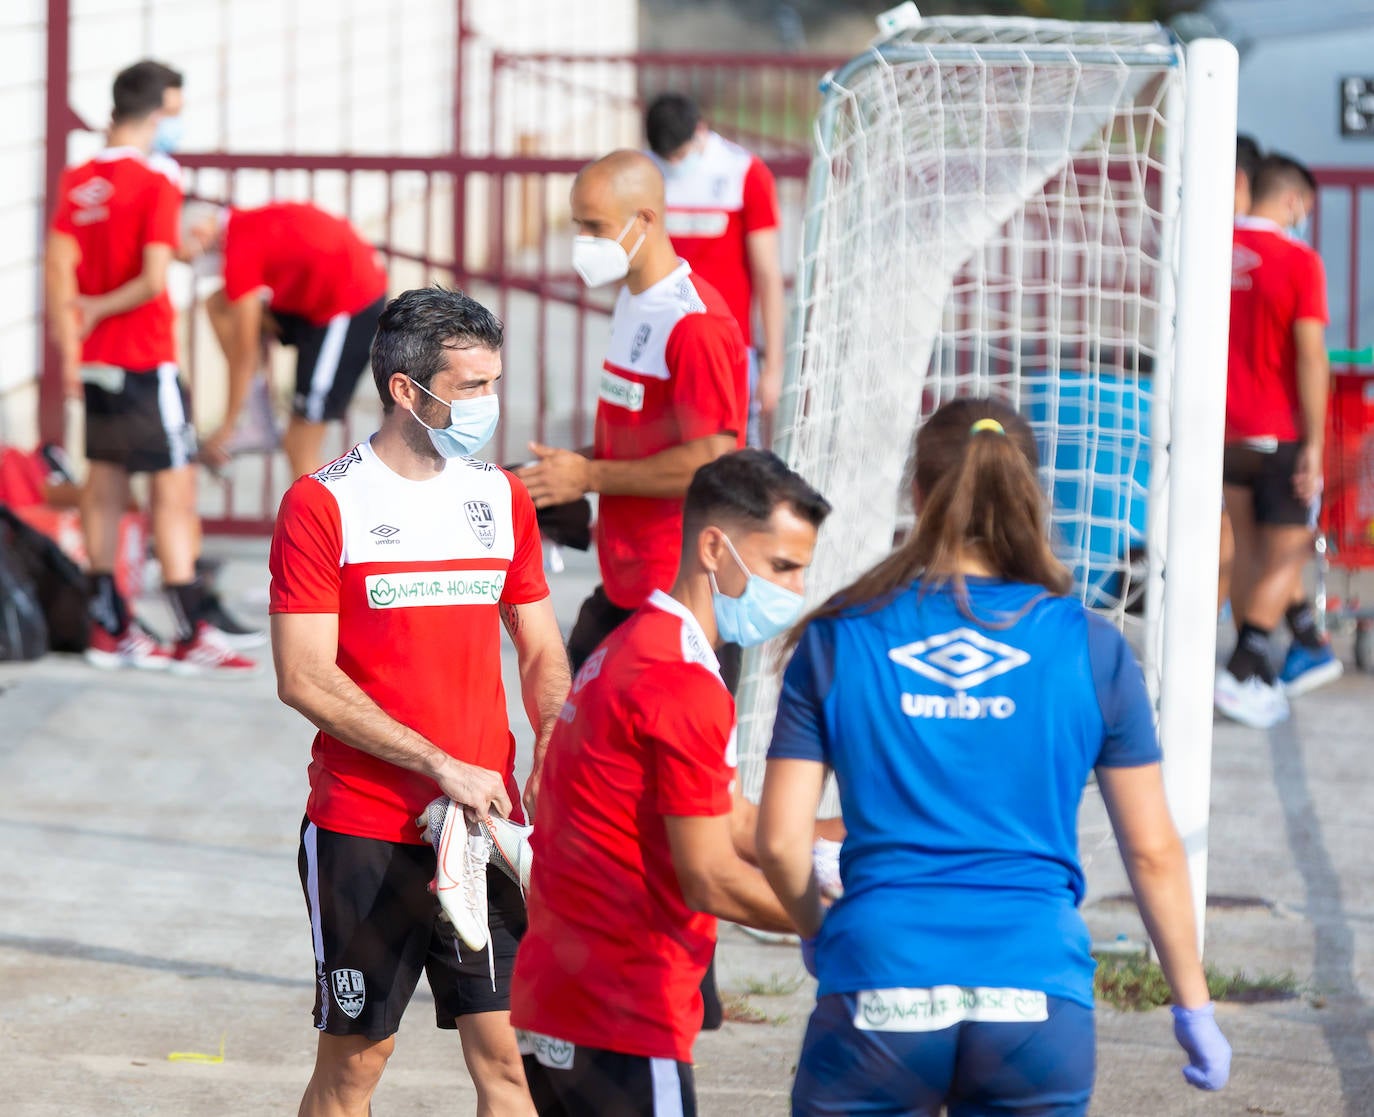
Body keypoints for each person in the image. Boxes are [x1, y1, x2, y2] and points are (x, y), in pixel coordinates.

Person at [755, 398, 1231, 1117]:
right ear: (1029, 493)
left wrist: (822, 932)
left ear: (917, 495)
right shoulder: (1092, 647)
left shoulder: (838, 637)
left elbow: (781, 840)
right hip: (1037, 994)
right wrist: (1194, 1008)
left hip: (883, 979)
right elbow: (1154, 852)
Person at [269, 286, 571, 1117]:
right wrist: (439, 762)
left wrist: (553, 737)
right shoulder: (323, 504)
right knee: (356, 1067)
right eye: (471, 386)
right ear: (407, 389)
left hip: (486, 830)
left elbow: (541, 646)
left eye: (493, 382)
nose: (490, 403)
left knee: (514, 1066)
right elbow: (303, 675)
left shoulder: (501, 498)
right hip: (366, 829)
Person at [510, 449, 831, 1117]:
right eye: (781, 567)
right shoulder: (682, 681)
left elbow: (727, 815)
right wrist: (838, 927)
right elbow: (709, 874)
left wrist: (853, 836)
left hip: (560, 999)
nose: (795, 591)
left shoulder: (634, 644)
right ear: (715, 547)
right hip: (623, 1010)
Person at [45, 59, 257, 676]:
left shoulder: (78, 178)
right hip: (145, 357)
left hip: (96, 362)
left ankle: (108, 628)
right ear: (161, 106)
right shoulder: (158, 177)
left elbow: (59, 275)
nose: (179, 123)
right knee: (175, 493)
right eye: (178, 110)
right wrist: (101, 305)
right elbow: (151, 280)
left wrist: (73, 341)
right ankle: (192, 632)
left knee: (104, 486)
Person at [516, 150, 749, 682]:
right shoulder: (633, 300)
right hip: (626, 580)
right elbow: (645, 438)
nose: (583, 241)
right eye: (577, 225)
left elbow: (711, 463)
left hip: (679, 591)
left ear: (645, 220)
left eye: (595, 227)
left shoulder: (695, 324)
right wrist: (562, 472)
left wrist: (591, 475)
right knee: (572, 726)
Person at [1218, 154, 1334, 727]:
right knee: (1288, 551)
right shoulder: (1298, 260)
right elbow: (1311, 354)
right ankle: (1241, 669)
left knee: (1244, 549)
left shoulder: (1215, 247)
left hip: (1224, 427)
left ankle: (1254, 675)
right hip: (1280, 426)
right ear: (1293, 202)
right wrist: (1316, 442)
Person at [187, 201, 389, 477]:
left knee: (299, 445)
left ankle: (320, 519)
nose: (187, 265)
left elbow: (244, 352)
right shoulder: (241, 226)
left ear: (199, 234)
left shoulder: (238, 248)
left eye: (183, 258)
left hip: (349, 305)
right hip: (317, 300)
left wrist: (227, 425)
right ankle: (260, 421)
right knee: (218, 304)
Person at [645, 92, 784, 445]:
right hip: (661, 348)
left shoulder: (744, 172)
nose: (675, 163)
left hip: (730, 350)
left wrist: (773, 367)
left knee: (734, 459)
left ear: (700, 130)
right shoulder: (643, 174)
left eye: (680, 154)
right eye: (668, 158)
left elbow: (768, 274)